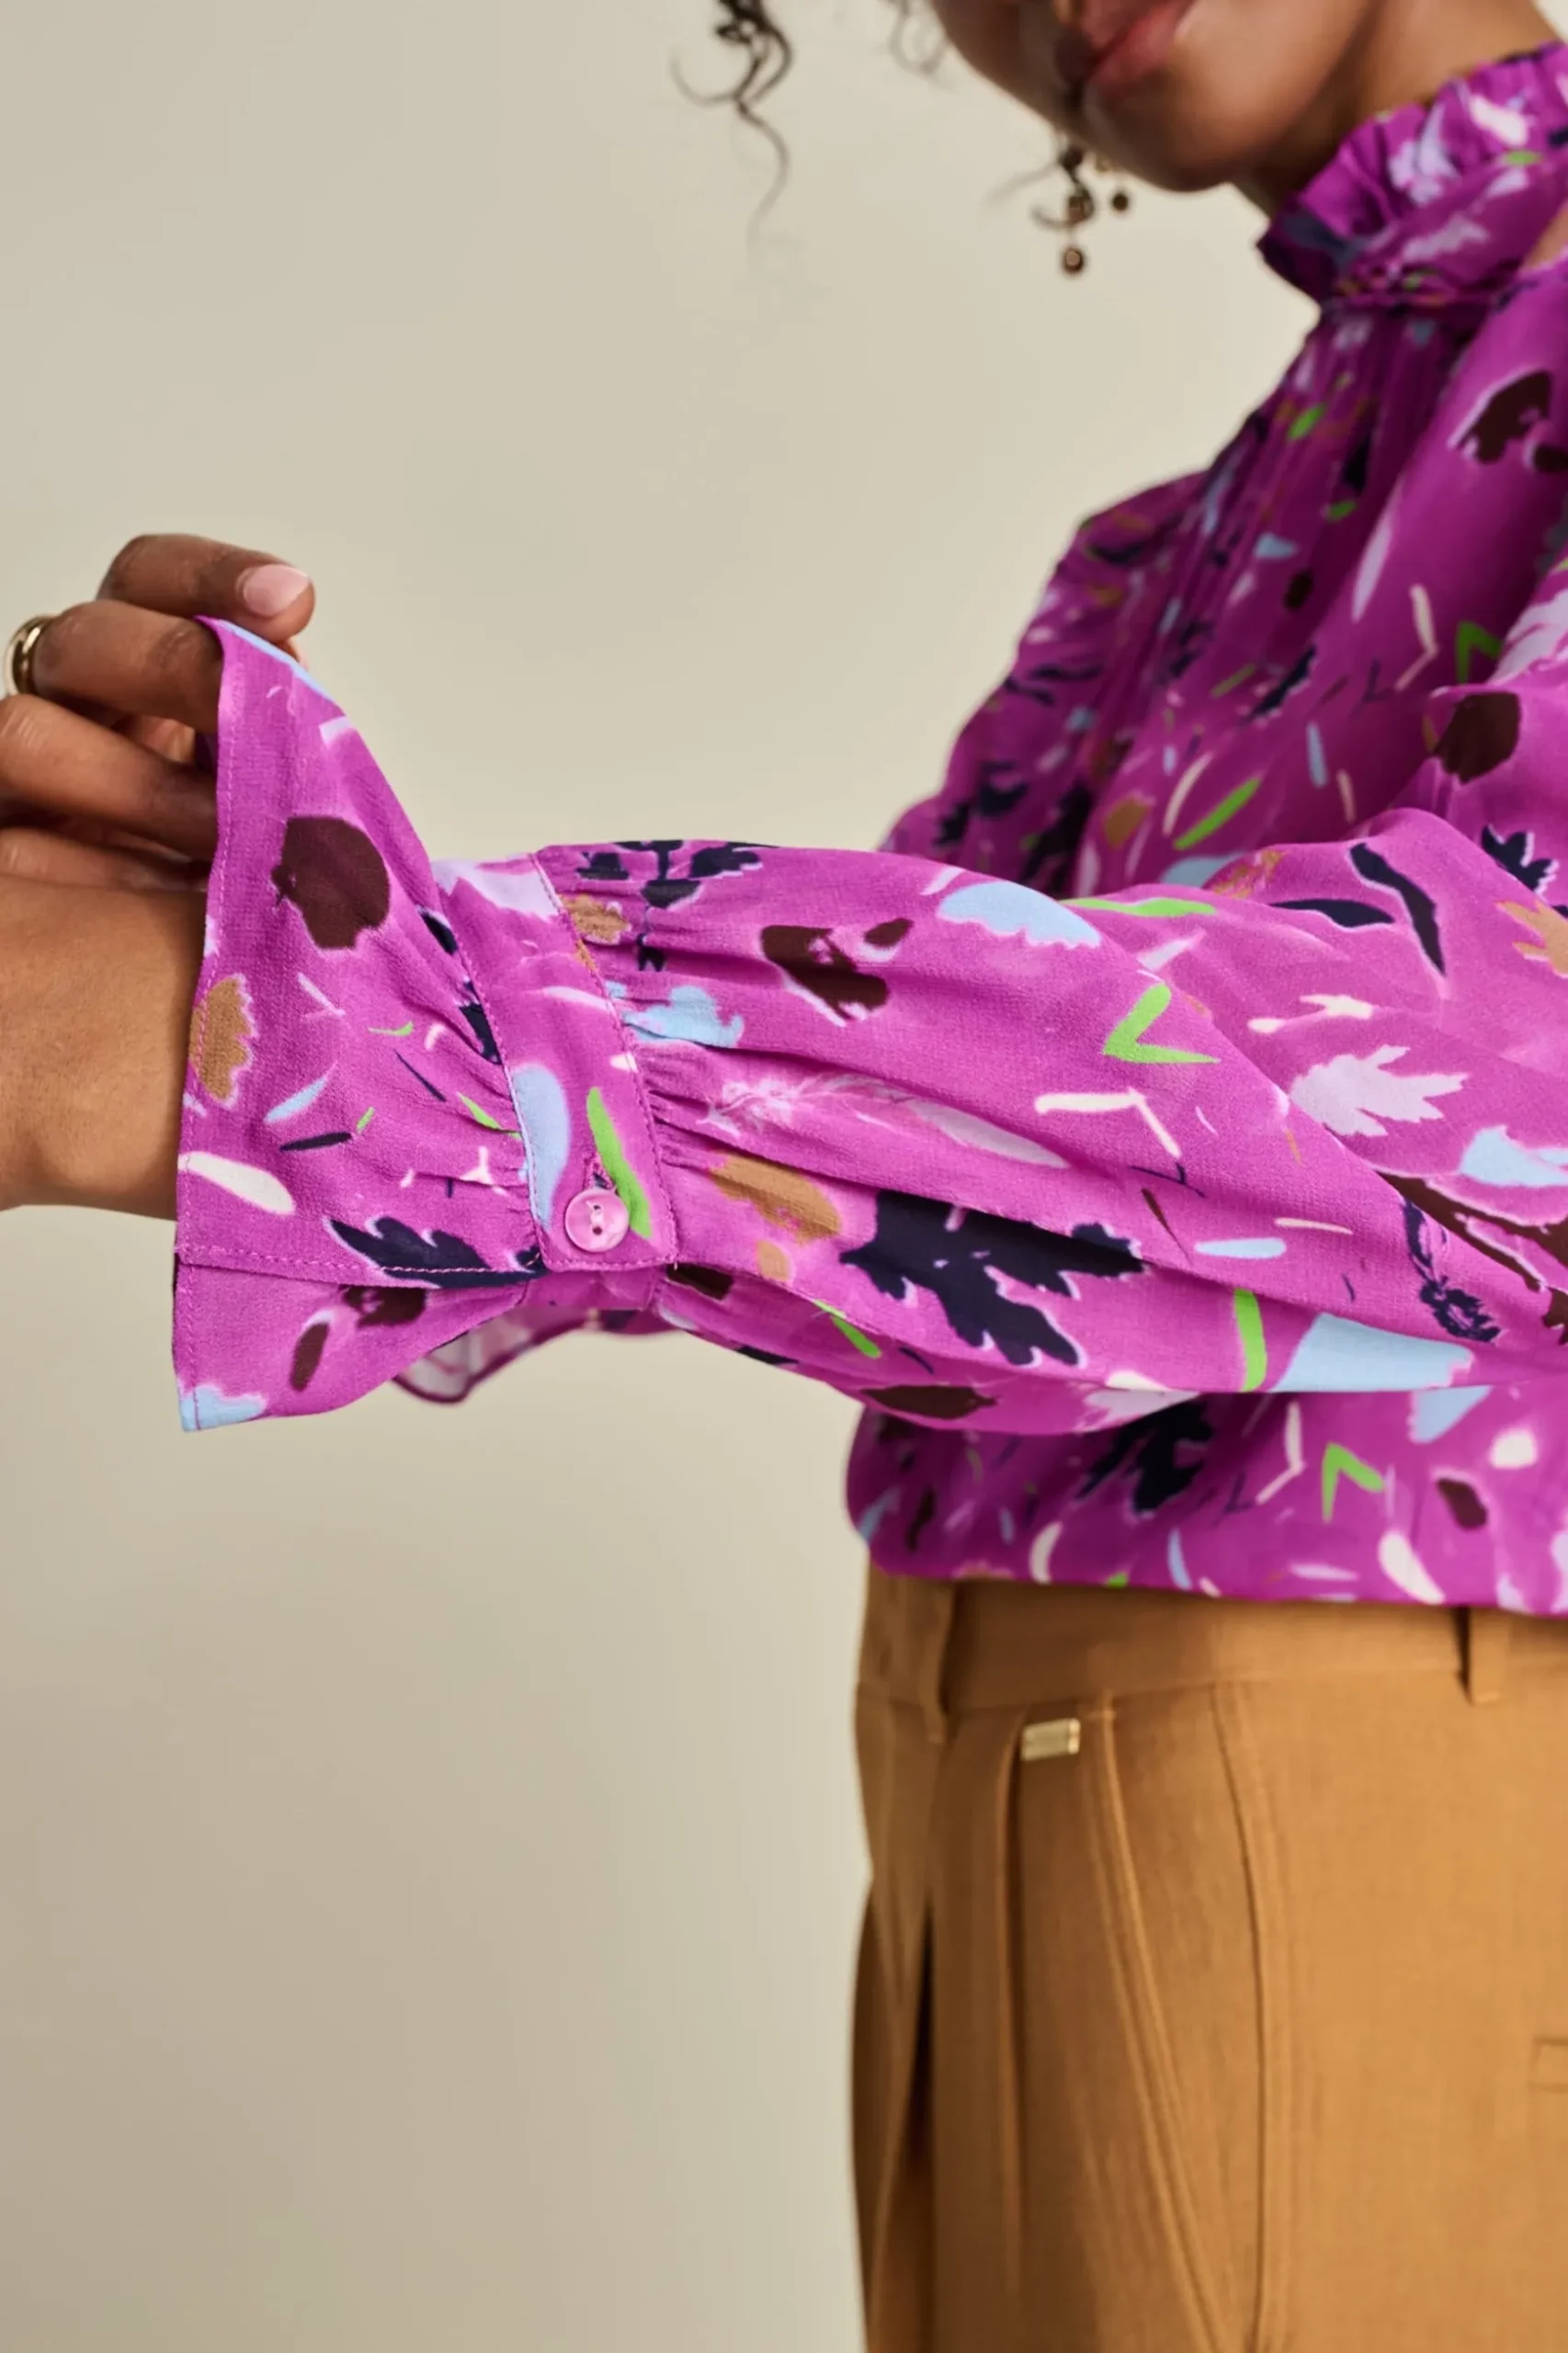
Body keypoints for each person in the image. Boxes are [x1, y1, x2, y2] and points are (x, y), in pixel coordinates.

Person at [3, 1, 1568, 2343]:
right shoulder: (1174, 550)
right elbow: (902, 1169)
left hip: (1345, 1748)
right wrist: (277, 934)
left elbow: (1514, 1053)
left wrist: (342, 1035)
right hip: (983, 1750)